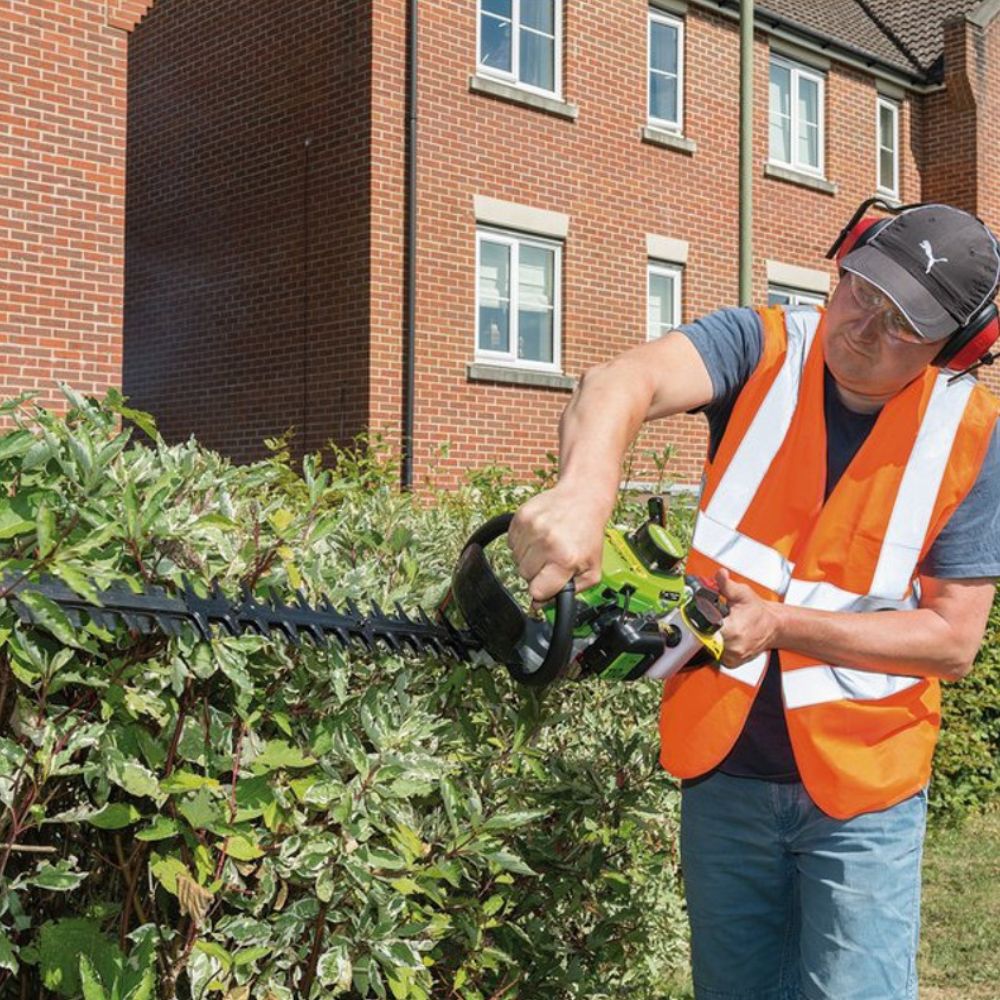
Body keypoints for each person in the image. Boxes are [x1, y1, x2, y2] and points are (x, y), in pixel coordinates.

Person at [507, 202, 1000, 1000]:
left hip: (864, 792)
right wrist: (584, 491)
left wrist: (781, 625)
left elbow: (953, 640)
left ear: (959, 345)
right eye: (861, 292)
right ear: (842, 267)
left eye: (903, 324)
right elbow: (621, 381)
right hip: (724, 769)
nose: (862, 329)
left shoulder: (974, 434)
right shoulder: (761, 346)